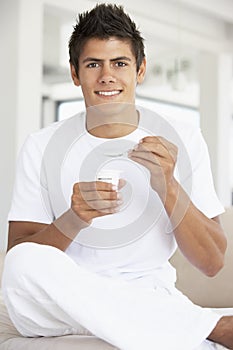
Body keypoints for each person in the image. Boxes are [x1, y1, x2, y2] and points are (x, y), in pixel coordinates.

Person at [2, 3, 233, 350]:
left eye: (120, 63)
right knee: (21, 262)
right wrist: (73, 219)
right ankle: (209, 326)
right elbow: (19, 255)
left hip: (147, 292)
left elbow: (213, 262)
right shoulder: (42, 145)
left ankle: (156, 321)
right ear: (75, 73)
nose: (107, 76)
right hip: (61, 305)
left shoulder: (183, 139)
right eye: (93, 64)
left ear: (140, 70)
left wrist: (168, 185)